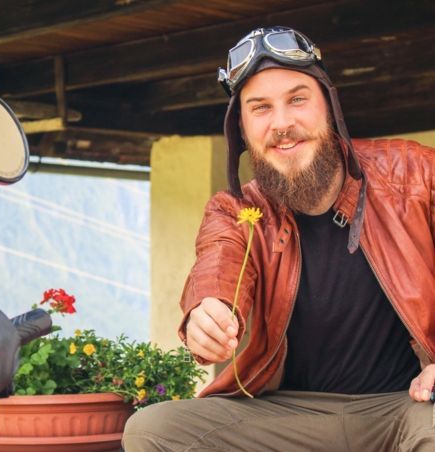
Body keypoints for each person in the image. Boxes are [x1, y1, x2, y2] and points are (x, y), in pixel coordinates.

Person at [122, 26, 435, 451]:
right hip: (292, 417)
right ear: (242, 127)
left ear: (329, 106)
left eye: (297, 99)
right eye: (261, 108)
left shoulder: (414, 172)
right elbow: (217, 264)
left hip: (408, 406)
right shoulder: (235, 210)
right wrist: (207, 312)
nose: (282, 124)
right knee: (152, 429)